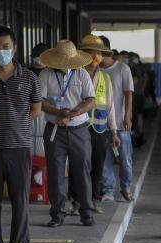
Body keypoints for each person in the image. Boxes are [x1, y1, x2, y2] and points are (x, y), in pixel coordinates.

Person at [0, 26, 42, 243]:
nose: (1, 51)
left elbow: (36, 108)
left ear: (14, 48)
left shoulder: (29, 78)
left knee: (20, 200)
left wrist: (17, 124)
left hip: (19, 148)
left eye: (5, 46)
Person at [38, 40, 96, 227]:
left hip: (79, 129)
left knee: (82, 171)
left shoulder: (82, 74)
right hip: (55, 130)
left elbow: (90, 100)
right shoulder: (46, 74)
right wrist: (58, 113)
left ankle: (86, 212)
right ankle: (57, 214)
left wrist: (73, 114)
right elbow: (41, 101)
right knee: (55, 173)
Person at [66, 35, 121, 215]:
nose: (95, 57)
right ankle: (75, 201)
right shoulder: (74, 75)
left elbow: (111, 106)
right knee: (78, 165)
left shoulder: (106, 78)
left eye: (98, 53)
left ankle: (94, 200)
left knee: (97, 165)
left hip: (99, 129)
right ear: (82, 55)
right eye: (90, 53)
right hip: (77, 127)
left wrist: (113, 131)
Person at [99, 35, 135, 203]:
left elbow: (129, 93)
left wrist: (127, 116)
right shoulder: (95, 70)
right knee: (104, 158)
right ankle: (108, 190)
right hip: (100, 124)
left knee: (125, 158)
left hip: (120, 123)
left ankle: (126, 187)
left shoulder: (122, 69)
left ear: (105, 50)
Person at [129, 52, 147, 147]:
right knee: (139, 116)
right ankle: (140, 134)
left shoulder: (132, 68)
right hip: (140, 95)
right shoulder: (142, 69)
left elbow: (133, 82)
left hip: (134, 96)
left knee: (134, 117)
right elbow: (144, 82)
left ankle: (135, 137)